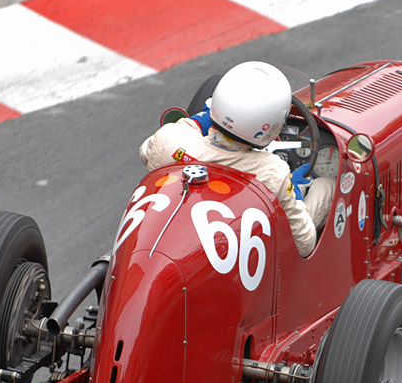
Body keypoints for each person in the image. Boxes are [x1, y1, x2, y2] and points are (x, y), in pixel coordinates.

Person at [139, 61, 334, 257]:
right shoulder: (272, 173)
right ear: (272, 126)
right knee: (325, 186)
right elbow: (305, 244)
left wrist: (210, 119)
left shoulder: (169, 139)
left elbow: (147, 151)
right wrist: (295, 192)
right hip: (234, 248)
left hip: (177, 232)